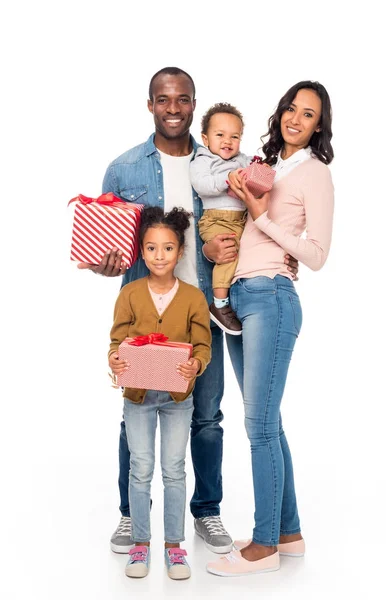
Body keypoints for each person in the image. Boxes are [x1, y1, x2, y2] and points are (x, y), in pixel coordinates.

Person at [78, 67, 299, 555]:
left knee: (207, 416)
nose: (172, 108)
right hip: (143, 317)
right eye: (163, 99)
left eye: (181, 100)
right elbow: (105, 245)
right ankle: (130, 515)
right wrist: (103, 265)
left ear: (193, 105)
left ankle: (207, 511)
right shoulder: (124, 168)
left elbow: (256, 215)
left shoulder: (221, 161)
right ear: (150, 103)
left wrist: (274, 254)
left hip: (203, 314)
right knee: (135, 409)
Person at [206, 80, 335, 577]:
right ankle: (289, 533)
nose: (296, 119)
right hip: (238, 300)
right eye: (290, 109)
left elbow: (318, 255)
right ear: (280, 113)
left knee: (258, 425)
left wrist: (263, 218)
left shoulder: (316, 174)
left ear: (319, 125)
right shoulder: (266, 165)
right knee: (268, 421)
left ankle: (264, 546)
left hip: (271, 299)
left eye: (308, 114)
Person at [109, 206, 211, 579]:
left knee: (173, 470)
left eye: (168, 249)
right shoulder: (131, 294)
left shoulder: (193, 298)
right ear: (141, 251)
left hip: (177, 399)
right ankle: (140, 544)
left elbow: (202, 346)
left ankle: (174, 546)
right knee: (141, 469)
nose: (159, 256)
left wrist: (195, 366)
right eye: (151, 248)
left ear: (180, 252)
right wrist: (116, 360)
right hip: (137, 396)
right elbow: (117, 340)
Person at [190, 103, 251, 336]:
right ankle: (219, 304)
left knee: (249, 253)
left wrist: (257, 173)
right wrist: (228, 178)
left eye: (234, 136)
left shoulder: (242, 160)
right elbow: (202, 185)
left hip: (241, 219)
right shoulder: (203, 161)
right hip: (215, 221)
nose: (228, 141)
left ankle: (237, 297)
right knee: (227, 254)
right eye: (220, 135)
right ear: (205, 139)